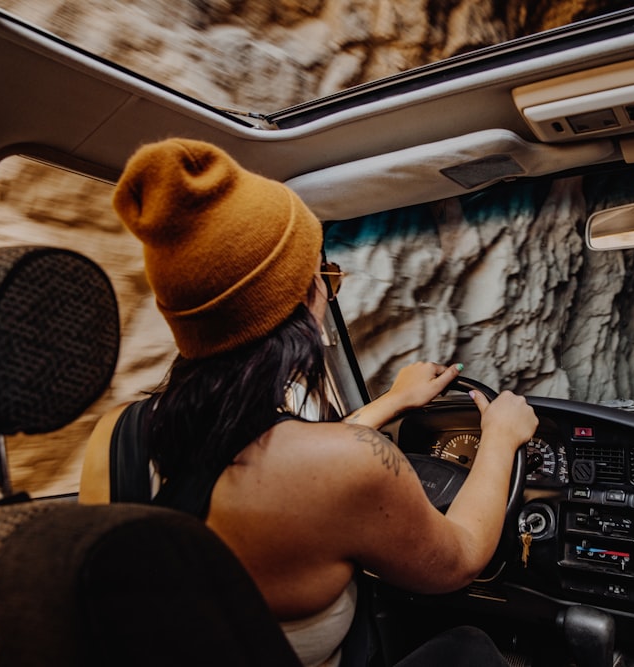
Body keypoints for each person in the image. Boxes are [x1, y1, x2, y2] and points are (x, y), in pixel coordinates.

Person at [79, 138, 539, 667]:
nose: (330, 291)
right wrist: (501, 437)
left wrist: (390, 402)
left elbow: (276, 461)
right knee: (471, 649)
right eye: (327, 278)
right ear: (304, 299)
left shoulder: (114, 438)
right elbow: (458, 560)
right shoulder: (349, 466)